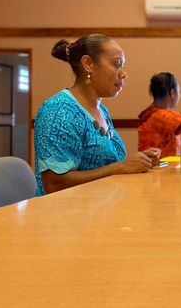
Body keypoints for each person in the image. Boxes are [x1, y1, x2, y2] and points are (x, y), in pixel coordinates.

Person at [34, 34, 160, 196]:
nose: (123, 74)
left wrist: (139, 162)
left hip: (99, 208)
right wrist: (120, 167)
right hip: (64, 216)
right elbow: (54, 184)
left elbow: (104, 166)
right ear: (88, 64)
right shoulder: (59, 111)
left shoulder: (101, 110)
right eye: (116, 64)